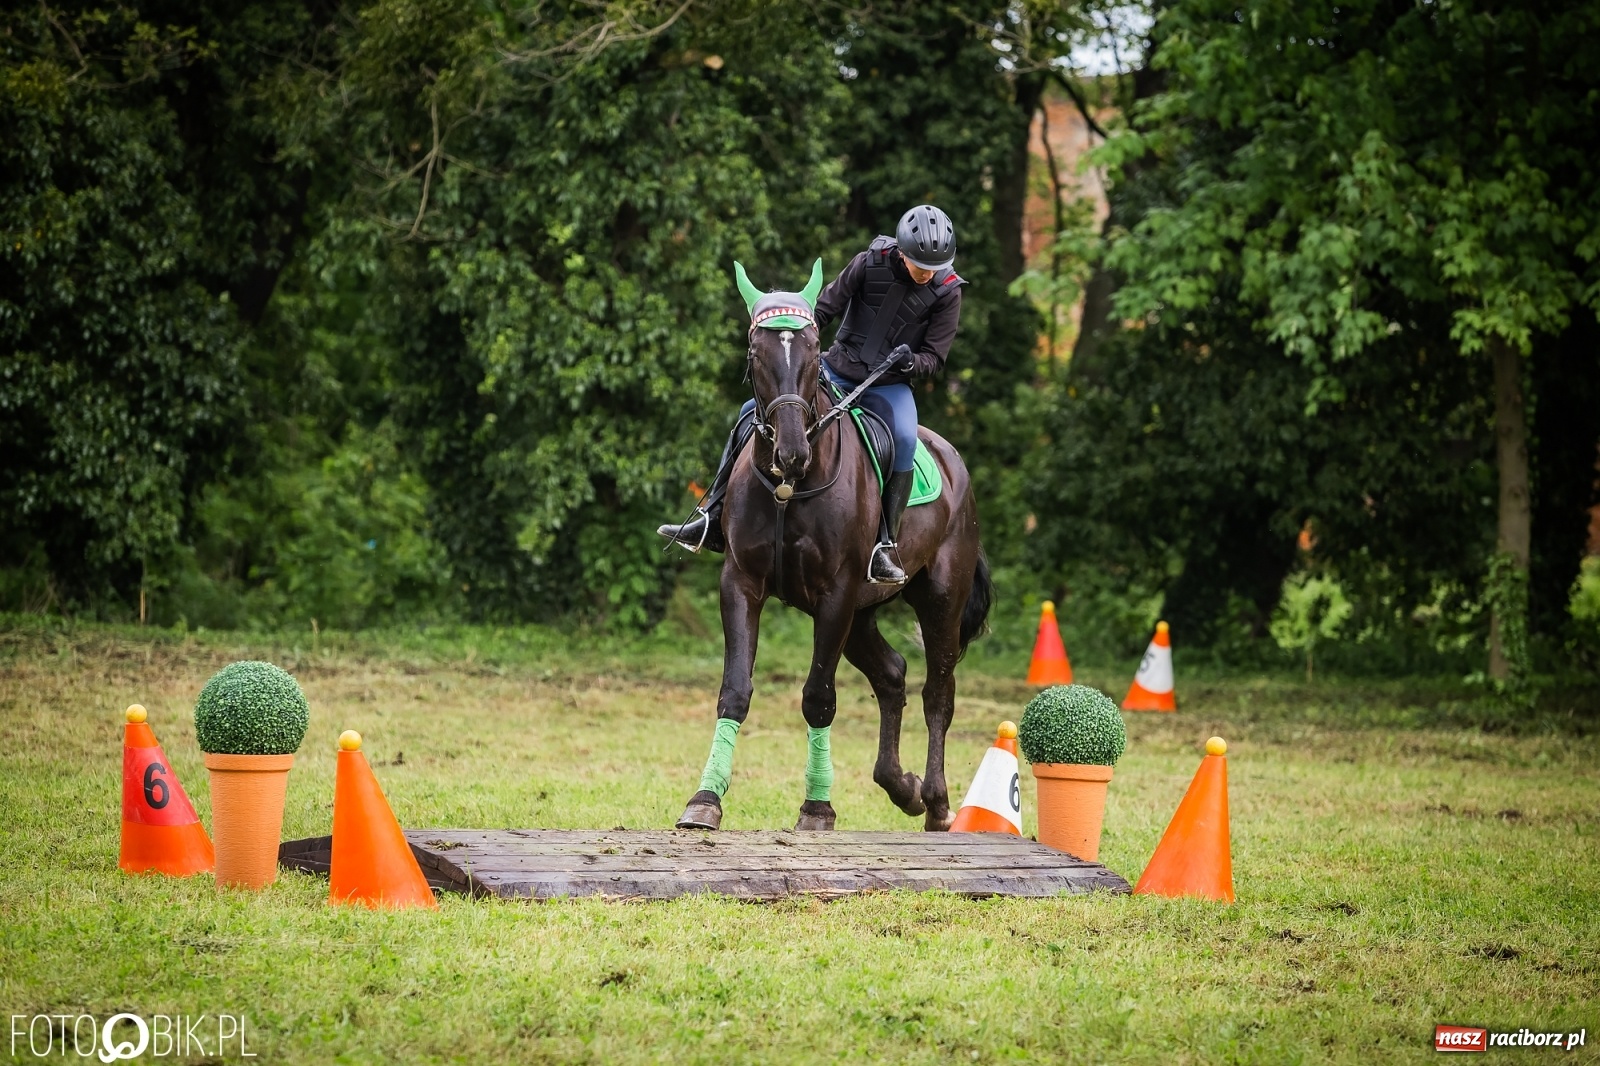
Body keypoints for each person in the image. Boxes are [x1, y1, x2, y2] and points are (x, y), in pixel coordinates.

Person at [658, 204, 965, 584]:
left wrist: (910, 363)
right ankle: (710, 518)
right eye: (919, 264)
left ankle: (884, 545)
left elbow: (934, 357)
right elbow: (821, 312)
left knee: (903, 439)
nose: (926, 273)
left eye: (933, 267)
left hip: (889, 386)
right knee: (748, 411)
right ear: (901, 251)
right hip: (835, 370)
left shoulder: (948, 292)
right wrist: (797, 349)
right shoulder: (867, 263)